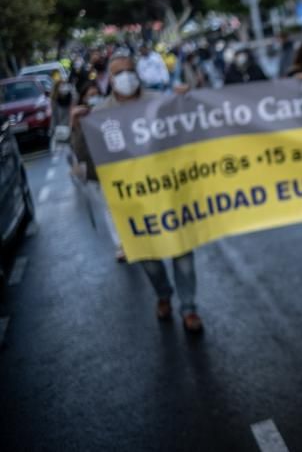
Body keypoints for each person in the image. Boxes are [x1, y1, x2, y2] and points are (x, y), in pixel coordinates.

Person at [71, 55, 204, 333]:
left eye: (131, 71)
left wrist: (186, 101)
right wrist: (77, 127)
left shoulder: (159, 100)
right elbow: (87, 160)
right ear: (110, 78)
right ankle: (163, 294)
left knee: (183, 254)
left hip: (169, 193)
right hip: (132, 202)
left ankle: (189, 308)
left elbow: (189, 133)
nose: (127, 77)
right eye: (120, 73)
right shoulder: (100, 114)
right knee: (149, 259)